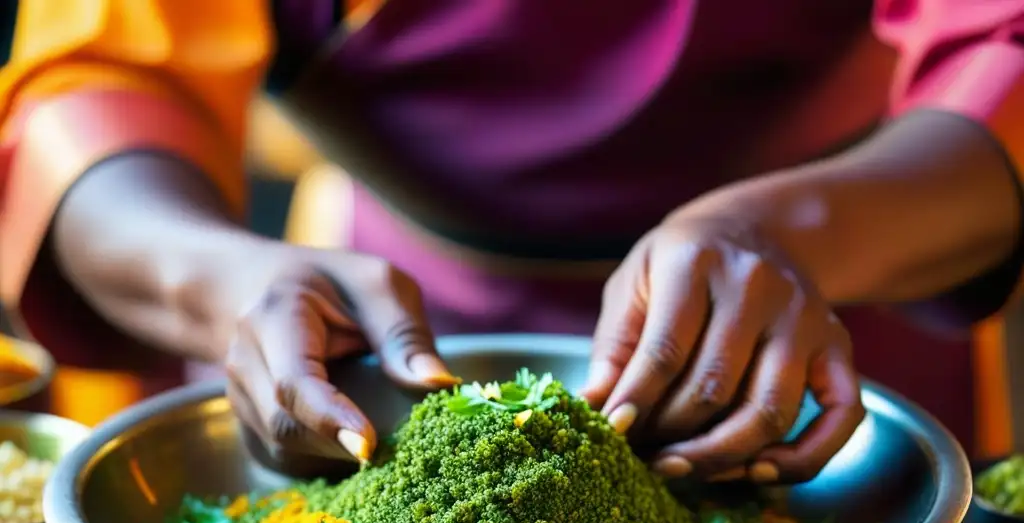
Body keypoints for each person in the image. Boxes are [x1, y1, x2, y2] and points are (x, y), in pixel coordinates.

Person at [0, 0, 1021, 482]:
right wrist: (221, 279)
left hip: (819, 347)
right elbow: (106, 78)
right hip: (371, 355)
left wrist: (798, 230)